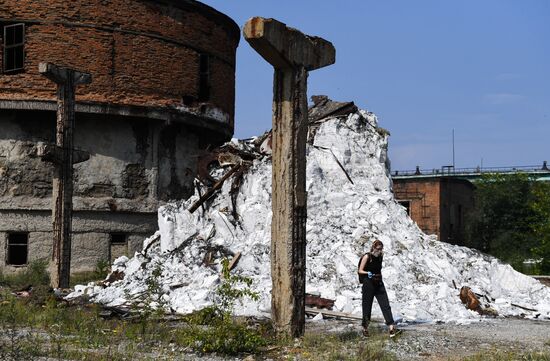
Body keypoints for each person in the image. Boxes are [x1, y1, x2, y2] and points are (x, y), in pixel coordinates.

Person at [358, 239, 400, 337]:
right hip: (368, 283)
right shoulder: (367, 256)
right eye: (378, 249)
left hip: (378, 282)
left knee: (385, 304)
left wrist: (379, 277)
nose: (380, 251)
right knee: (367, 306)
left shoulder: (380, 256)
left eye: (381, 249)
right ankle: (365, 328)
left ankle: (391, 327)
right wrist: (367, 273)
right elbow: (360, 270)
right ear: (373, 248)